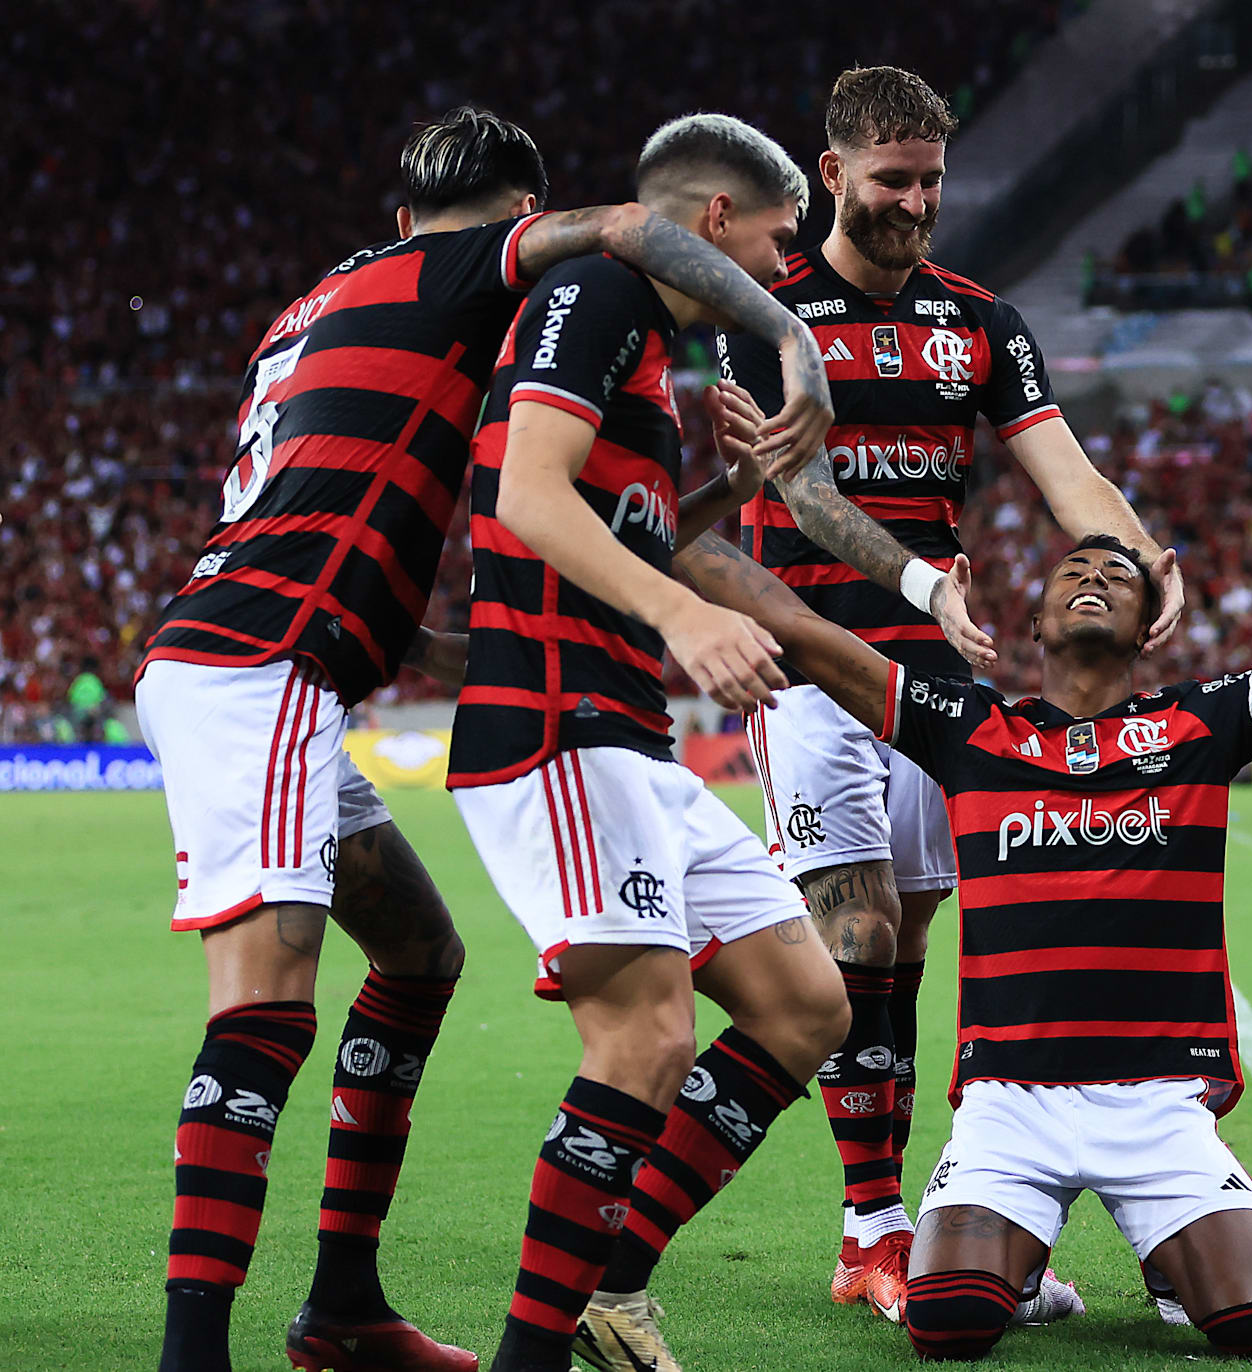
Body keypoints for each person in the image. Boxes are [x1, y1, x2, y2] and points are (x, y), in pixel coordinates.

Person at [686, 378, 1252, 1362]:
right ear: (1035, 624)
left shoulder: (1202, 723)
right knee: (945, 1326)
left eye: (1116, 572)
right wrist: (661, 515)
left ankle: (1172, 1238)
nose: (1090, 575)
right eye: (1072, 568)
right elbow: (796, 626)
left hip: (1157, 1102)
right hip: (1011, 1104)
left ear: (1147, 627)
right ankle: (1037, 1251)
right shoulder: (970, 727)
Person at [131, 105, 839, 1372]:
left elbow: (347, 507)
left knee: (416, 953)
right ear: (518, 222)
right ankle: (194, 1357)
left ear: (397, 213)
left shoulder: (320, 301)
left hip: (272, 657)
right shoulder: (474, 265)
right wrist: (797, 340)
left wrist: (460, 646)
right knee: (261, 1016)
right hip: (264, 668)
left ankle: (343, 1301)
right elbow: (629, 229)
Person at [443, 113, 958, 1372]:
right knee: (649, 1040)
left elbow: (624, 521)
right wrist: (683, 612)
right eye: (782, 234)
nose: (790, 263)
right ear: (715, 219)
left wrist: (728, 491)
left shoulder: (651, 356)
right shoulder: (600, 288)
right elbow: (525, 494)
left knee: (806, 1004)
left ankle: (610, 1282)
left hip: (630, 738)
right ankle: (538, 1352)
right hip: (555, 724)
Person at [717, 72, 1184, 1305]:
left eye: (930, 181)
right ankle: (870, 1225)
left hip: (936, 686)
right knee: (855, 931)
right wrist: (922, 578)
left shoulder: (980, 321)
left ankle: (914, 1214)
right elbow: (796, 490)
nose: (915, 204)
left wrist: (1141, 549)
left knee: (910, 947)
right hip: (812, 659)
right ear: (832, 175)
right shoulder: (764, 312)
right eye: (892, 182)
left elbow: (1063, 469)